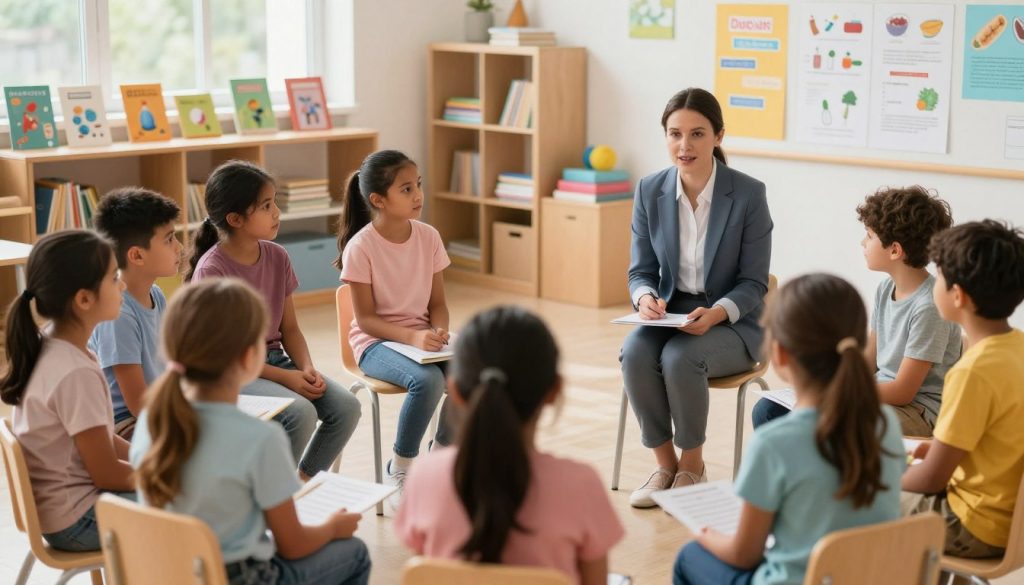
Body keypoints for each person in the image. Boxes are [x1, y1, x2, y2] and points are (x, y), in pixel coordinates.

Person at [131, 278, 371, 584]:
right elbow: (294, 545)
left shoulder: (152, 419)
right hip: (237, 577)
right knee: (354, 552)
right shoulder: (260, 439)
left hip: (167, 574)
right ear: (249, 357)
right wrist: (333, 527)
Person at [674, 274, 904, 585]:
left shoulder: (774, 444)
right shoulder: (885, 425)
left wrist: (704, 534)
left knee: (690, 556)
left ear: (780, 354)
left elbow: (744, 555)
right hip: (868, 577)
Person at [395, 306, 624, 585]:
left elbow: (424, 571)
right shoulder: (581, 484)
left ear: (454, 392)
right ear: (554, 391)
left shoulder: (424, 476)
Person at [621, 87, 773, 508]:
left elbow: (755, 282)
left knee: (680, 358)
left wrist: (719, 313)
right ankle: (664, 465)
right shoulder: (649, 190)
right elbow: (640, 270)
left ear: (719, 136)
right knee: (634, 351)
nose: (683, 146)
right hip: (672, 313)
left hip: (734, 323)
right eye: (674, 134)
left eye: (697, 134)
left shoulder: (747, 194)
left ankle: (693, 465)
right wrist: (645, 296)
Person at [187, 160, 361, 479]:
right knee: (300, 414)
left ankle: (300, 484)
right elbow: (223, 358)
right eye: (266, 206)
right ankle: (275, 500)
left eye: (275, 202)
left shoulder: (277, 256)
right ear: (235, 219)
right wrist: (287, 379)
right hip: (232, 370)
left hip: (275, 361)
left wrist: (306, 368)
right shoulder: (212, 271)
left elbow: (290, 328)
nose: (277, 212)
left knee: (346, 408)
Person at [2, 230, 134, 551]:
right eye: (114, 278)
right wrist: (165, 478)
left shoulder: (52, 342)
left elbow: (100, 439)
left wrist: (150, 460)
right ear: (84, 299)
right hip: (78, 519)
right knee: (190, 509)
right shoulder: (75, 373)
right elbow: (105, 473)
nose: (123, 285)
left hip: (62, 511)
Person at [337, 149, 454, 510]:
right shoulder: (362, 247)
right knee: (429, 381)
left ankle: (441, 462)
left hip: (418, 338)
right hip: (374, 344)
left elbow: (438, 304)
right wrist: (414, 337)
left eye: (418, 185)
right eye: (406, 189)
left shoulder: (429, 237)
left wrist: (439, 331)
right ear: (378, 200)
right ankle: (401, 467)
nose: (418, 195)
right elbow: (367, 320)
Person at [902, 220, 1024, 562]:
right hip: (1013, 523)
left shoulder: (972, 371)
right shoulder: (1016, 349)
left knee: (845, 495)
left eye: (938, 275)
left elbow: (931, 479)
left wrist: (874, 478)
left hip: (972, 524)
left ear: (958, 296)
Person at [89, 187, 182, 439]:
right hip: (124, 424)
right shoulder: (117, 313)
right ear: (137, 255)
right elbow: (137, 404)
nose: (179, 247)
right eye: (169, 239)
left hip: (153, 409)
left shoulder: (156, 294)